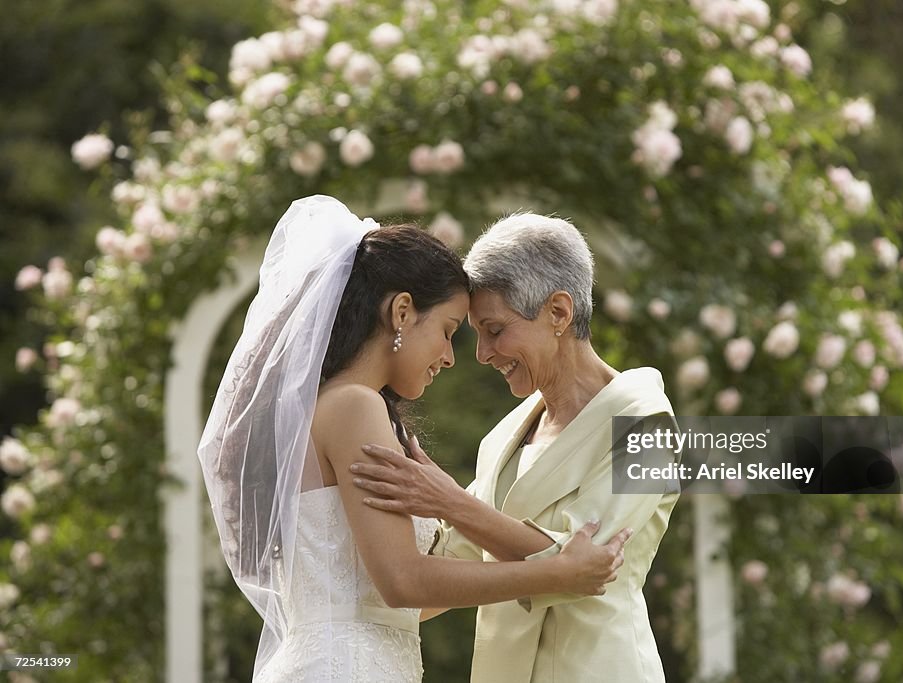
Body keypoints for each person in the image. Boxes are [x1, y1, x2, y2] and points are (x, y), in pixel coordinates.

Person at [197, 197, 630, 682]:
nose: (452, 356)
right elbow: (402, 582)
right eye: (449, 331)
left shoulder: (337, 407)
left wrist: (449, 502)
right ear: (402, 312)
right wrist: (557, 574)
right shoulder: (355, 407)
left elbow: (399, 587)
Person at [353, 212, 680, 682]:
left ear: (559, 313)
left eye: (495, 329)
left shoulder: (646, 424)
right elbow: (450, 569)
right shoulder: (502, 438)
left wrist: (449, 500)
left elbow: (583, 566)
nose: (483, 353)